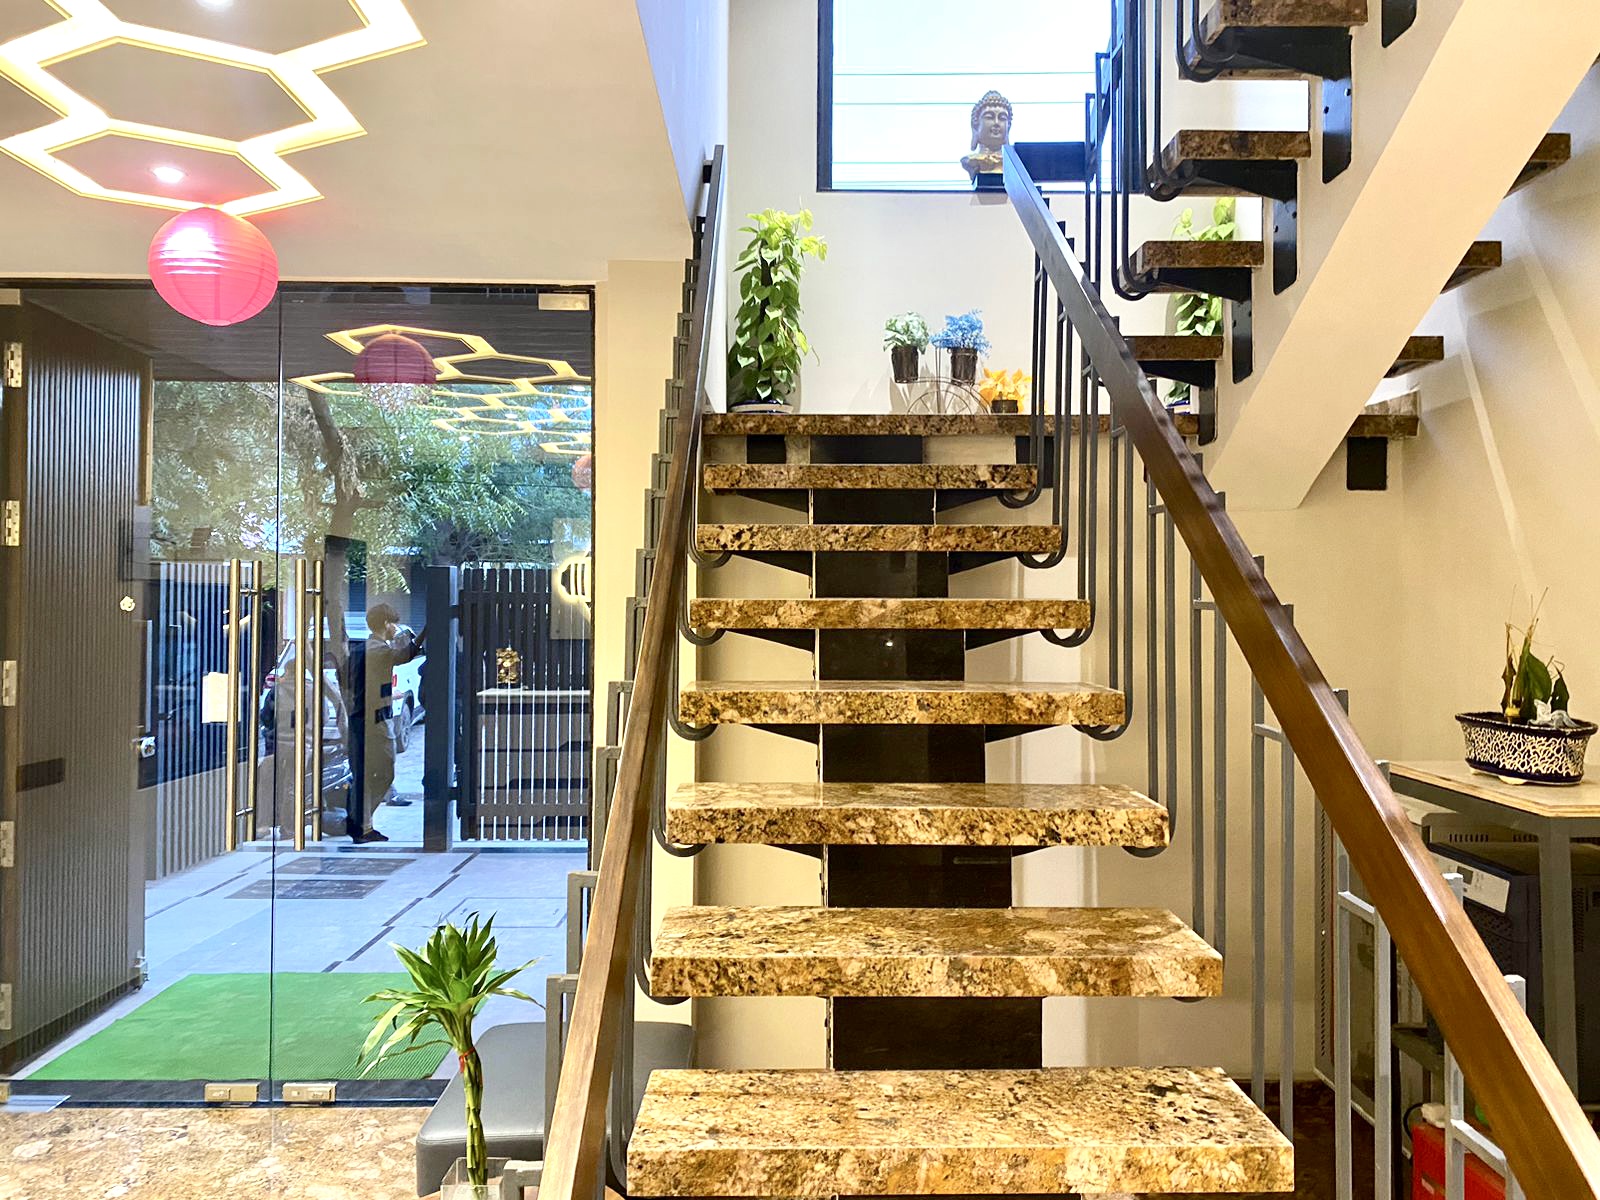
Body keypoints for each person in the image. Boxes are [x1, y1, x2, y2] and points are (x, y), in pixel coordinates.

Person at [350, 603, 425, 844]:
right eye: (394, 623)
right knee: (383, 771)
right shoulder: (378, 650)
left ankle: (362, 824)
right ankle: (360, 823)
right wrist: (425, 632)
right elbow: (405, 655)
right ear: (386, 624)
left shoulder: (366, 649)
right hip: (375, 720)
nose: (396, 628)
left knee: (370, 773)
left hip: (366, 718)